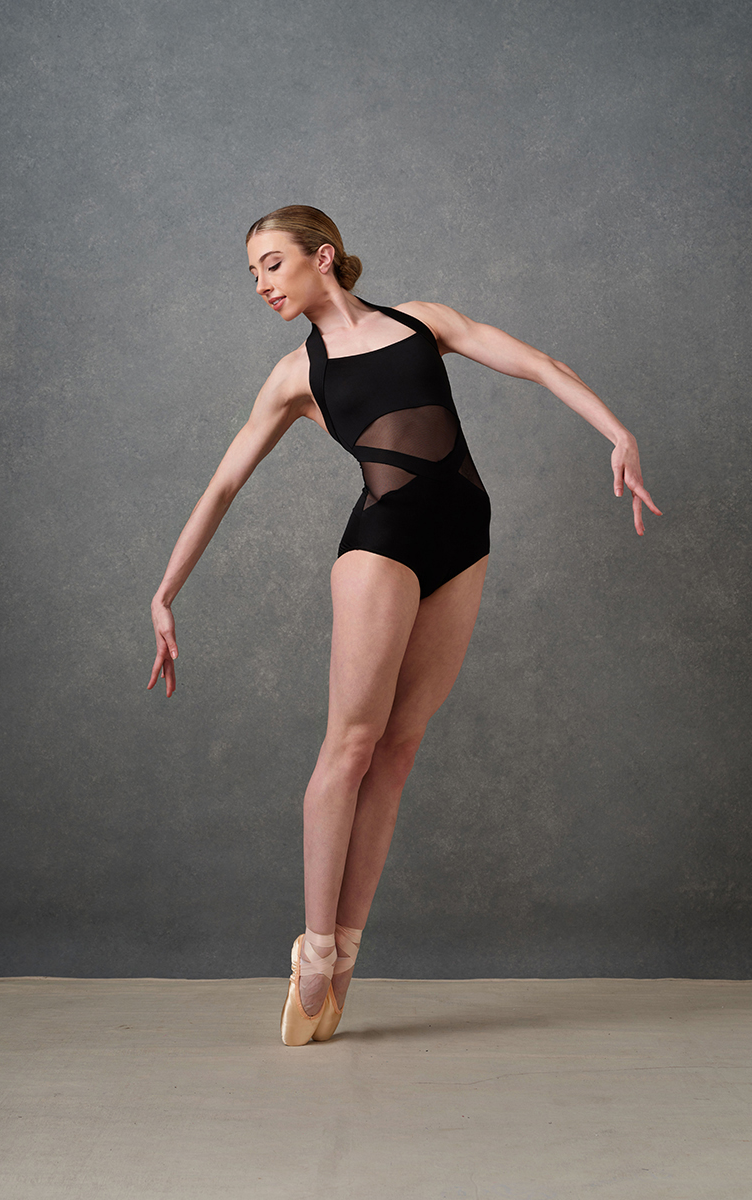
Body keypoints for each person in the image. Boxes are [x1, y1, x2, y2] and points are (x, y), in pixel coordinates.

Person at [145, 206, 659, 1046]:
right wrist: (167, 590)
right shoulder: (293, 376)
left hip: (466, 538)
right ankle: (312, 949)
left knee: (401, 749)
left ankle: (347, 949)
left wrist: (618, 431)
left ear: (324, 257)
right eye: (253, 274)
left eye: (272, 264)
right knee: (350, 747)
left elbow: (539, 364)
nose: (263, 284)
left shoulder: (426, 322)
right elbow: (222, 485)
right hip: (381, 543)